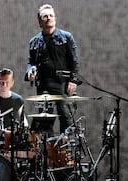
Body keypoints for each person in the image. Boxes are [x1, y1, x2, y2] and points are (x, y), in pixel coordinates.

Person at [24, 3, 82, 134]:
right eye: (45, 16)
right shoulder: (34, 41)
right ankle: (47, 149)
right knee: (44, 117)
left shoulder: (66, 37)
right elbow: (31, 62)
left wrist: (73, 80)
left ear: (55, 18)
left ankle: (64, 147)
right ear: (40, 21)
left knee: (65, 114)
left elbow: (74, 60)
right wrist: (29, 72)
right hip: (43, 83)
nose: (49, 18)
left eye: (51, 15)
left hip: (61, 82)